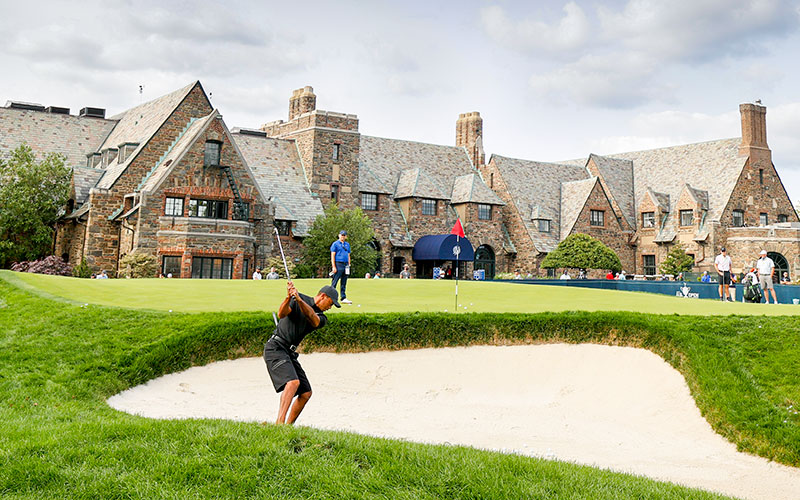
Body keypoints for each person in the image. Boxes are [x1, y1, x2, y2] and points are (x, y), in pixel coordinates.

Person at [263, 283, 339, 425]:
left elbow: (312, 317)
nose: (330, 307)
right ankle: (279, 424)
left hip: (289, 353)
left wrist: (298, 300)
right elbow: (282, 314)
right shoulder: (297, 298)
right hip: (276, 347)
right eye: (331, 303)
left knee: (305, 393)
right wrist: (288, 298)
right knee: (293, 383)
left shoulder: (321, 317)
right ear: (323, 296)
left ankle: (288, 427)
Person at [330, 230, 352, 304]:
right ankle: (331, 297)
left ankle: (343, 297)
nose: (342, 236)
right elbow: (333, 255)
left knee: (344, 282)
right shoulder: (335, 244)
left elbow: (348, 254)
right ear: (339, 235)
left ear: (346, 236)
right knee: (335, 281)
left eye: (344, 235)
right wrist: (334, 266)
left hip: (345, 264)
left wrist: (349, 264)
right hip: (338, 263)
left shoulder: (347, 244)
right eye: (341, 235)